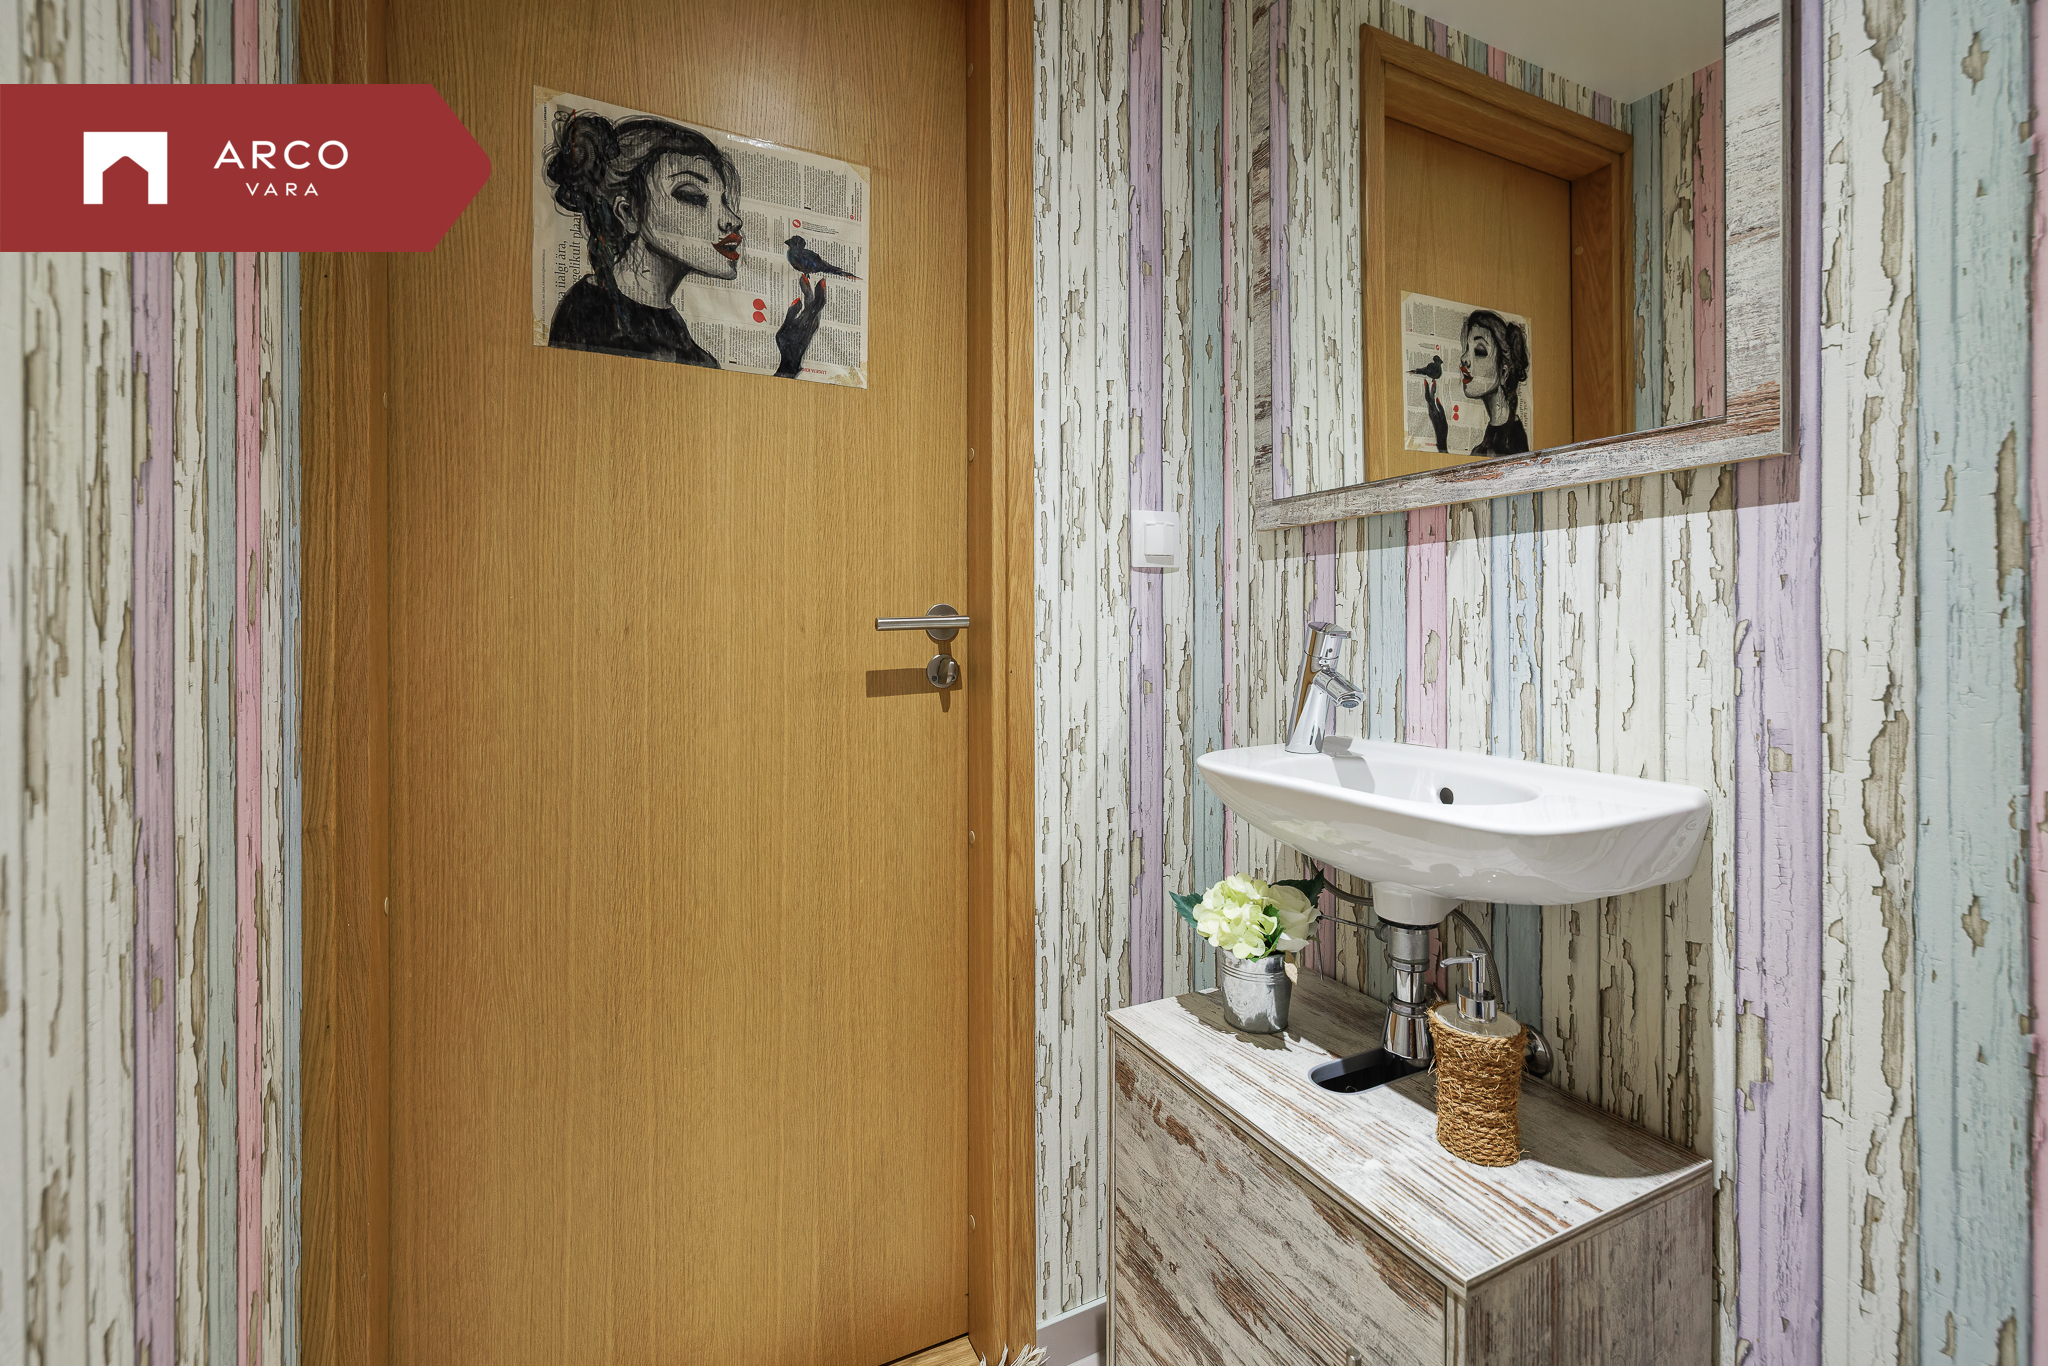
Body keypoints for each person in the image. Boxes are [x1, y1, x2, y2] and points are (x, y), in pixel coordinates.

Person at [543, 110, 824, 377]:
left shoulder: (670, 331)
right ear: (628, 213)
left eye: (724, 200)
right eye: (692, 196)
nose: (733, 220)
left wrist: (789, 359)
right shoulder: (592, 320)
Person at [1423, 309, 1531, 457]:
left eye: (1479, 351)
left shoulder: (1509, 442)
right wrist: (1441, 438)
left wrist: (1441, 443)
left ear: (1503, 373)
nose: (1464, 358)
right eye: (1467, 348)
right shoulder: (1494, 433)